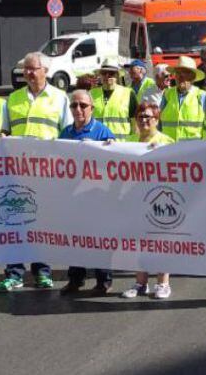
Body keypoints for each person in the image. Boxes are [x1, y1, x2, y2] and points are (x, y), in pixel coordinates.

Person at [0, 52, 71, 294]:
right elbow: (5, 131)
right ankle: (14, 273)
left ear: (45, 70)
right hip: (15, 171)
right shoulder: (13, 98)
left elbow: (67, 134)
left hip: (46, 173)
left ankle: (42, 272)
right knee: (13, 221)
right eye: (25, 69)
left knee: (40, 222)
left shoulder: (59, 98)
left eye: (33, 68)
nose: (28, 73)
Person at [59, 89, 117, 295]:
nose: (78, 109)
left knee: (99, 238)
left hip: (98, 196)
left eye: (83, 105)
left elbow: (115, 163)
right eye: (74, 105)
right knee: (75, 238)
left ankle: (103, 280)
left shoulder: (103, 132)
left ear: (92, 108)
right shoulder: (65, 133)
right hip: (74, 196)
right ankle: (75, 279)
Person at [121, 102, 175, 300]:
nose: (144, 120)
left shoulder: (166, 141)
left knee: (161, 240)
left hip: (158, 198)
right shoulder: (129, 140)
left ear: (157, 120)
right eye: (141, 116)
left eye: (149, 117)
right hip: (135, 197)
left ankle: (163, 283)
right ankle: (140, 283)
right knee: (139, 241)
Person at [160, 56, 206, 141]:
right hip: (169, 151)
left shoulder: (203, 96)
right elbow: (158, 123)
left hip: (195, 152)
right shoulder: (167, 95)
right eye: (178, 73)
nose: (180, 77)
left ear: (193, 77)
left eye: (184, 73)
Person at [90, 57, 137, 138]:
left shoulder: (129, 93)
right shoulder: (91, 94)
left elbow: (135, 123)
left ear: (117, 75)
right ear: (100, 75)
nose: (107, 76)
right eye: (104, 73)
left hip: (120, 146)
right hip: (97, 145)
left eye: (111, 73)